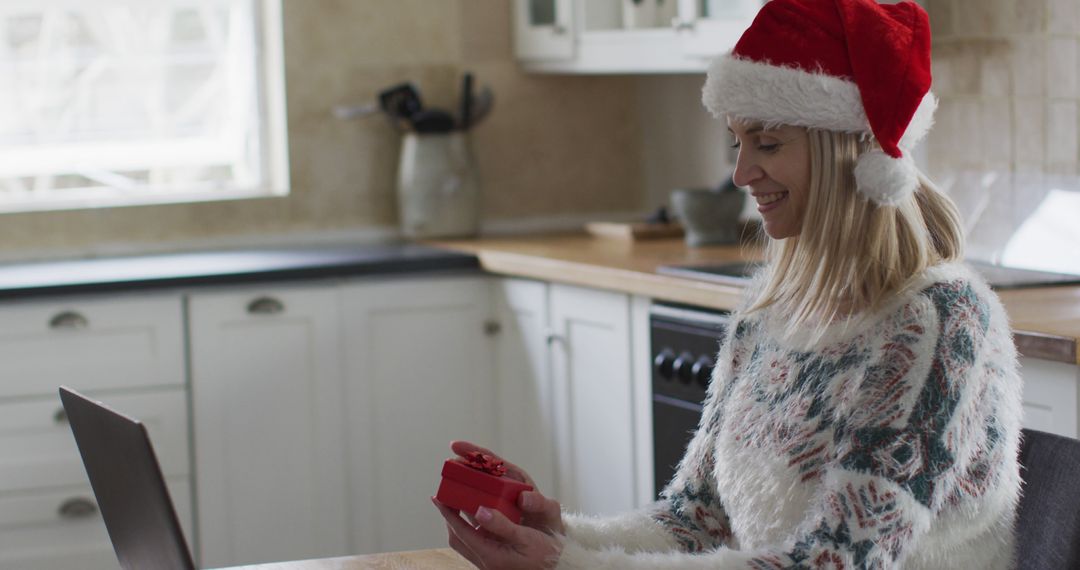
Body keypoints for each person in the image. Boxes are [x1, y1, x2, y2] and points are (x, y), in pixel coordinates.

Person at [432, 0, 1023, 568]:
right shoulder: (771, 312)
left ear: (853, 152)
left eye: (767, 143)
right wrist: (554, 531)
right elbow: (696, 523)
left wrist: (569, 566)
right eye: (738, 143)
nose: (741, 173)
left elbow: (837, 563)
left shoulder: (938, 323)